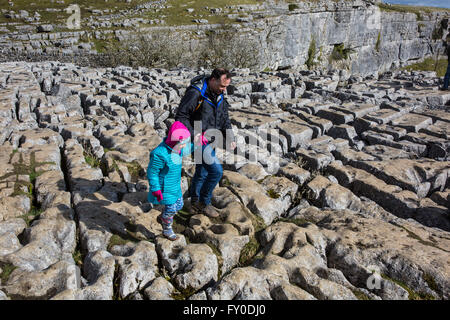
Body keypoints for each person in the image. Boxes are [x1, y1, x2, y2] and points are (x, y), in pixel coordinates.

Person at [175, 68, 237, 218]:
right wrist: (194, 133)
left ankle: (194, 201)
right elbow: (181, 115)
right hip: (198, 139)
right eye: (222, 86)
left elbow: (224, 117)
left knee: (202, 171)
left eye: (226, 86)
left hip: (212, 138)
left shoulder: (219, 94)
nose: (224, 89)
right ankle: (204, 202)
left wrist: (230, 137)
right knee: (216, 171)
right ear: (213, 80)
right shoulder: (196, 93)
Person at [147, 121, 200, 241]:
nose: (184, 145)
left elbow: (187, 150)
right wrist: (155, 188)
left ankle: (163, 217)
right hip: (164, 188)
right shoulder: (159, 154)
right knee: (171, 209)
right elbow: (152, 172)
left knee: (179, 204)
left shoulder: (178, 148)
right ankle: (167, 228)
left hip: (175, 185)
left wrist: (196, 144)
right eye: (183, 143)